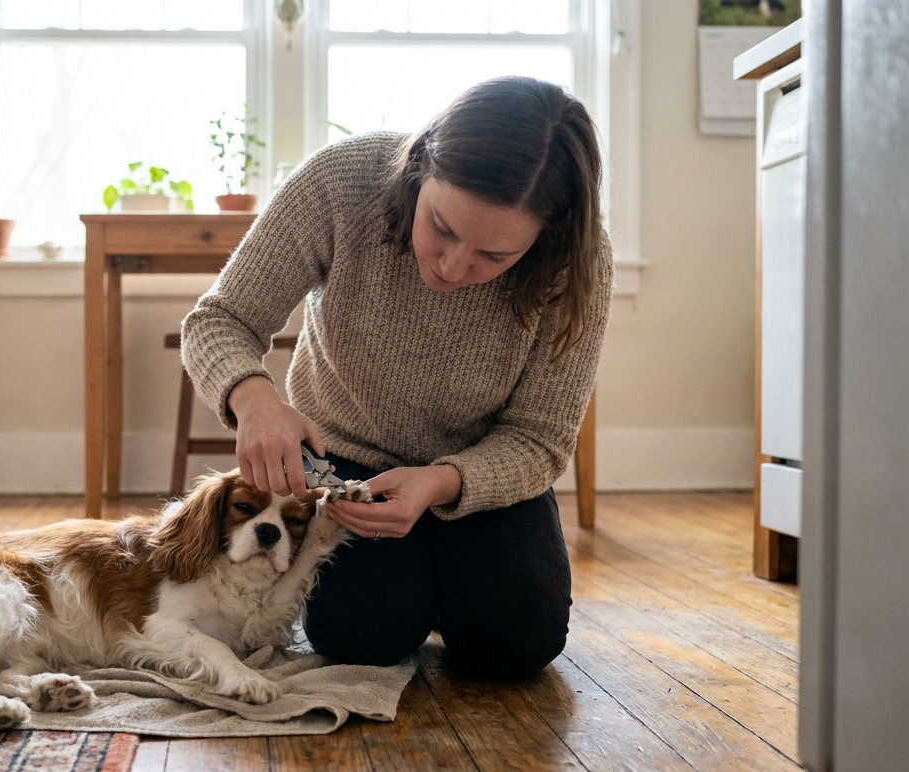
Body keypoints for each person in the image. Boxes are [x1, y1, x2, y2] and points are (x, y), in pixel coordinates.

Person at [180, 76, 612, 679]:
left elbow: (539, 440)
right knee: (359, 633)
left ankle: (446, 578)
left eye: (495, 256)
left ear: (546, 238)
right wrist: (253, 399)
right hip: (344, 462)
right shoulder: (339, 183)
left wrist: (439, 484)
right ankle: (421, 585)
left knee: (517, 644)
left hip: (478, 472)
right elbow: (220, 320)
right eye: (442, 226)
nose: (454, 266)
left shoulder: (577, 264)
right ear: (419, 167)